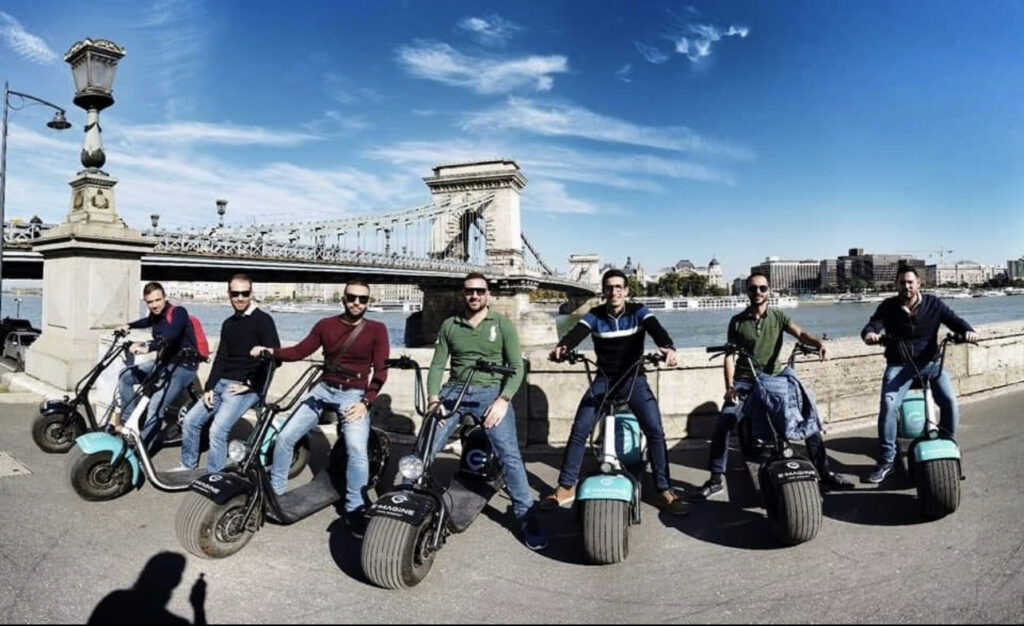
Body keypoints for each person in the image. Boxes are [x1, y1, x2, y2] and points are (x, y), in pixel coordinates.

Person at [691, 273, 854, 500]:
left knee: (809, 419)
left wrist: (818, 343)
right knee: (724, 423)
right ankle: (715, 479)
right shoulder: (737, 322)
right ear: (747, 292)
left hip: (775, 378)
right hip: (745, 381)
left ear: (769, 291)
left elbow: (800, 333)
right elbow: (729, 357)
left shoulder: (778, 316)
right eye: (753, 289)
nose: (757, 293)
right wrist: (730, 387)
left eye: (762, 288)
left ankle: (824, 473)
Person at [250, 278, 388, 537]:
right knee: (286, 436)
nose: (356, 303)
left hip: (354, 394)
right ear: (343, 298)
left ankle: (355, 507)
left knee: (357, 450)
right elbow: (299, 351)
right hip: (323, 389)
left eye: (363, 299)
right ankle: (275, 493)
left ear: (369, 302)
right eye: (352, 297)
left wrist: (365, 402)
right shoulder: (326, 325)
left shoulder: (377, 329)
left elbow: (381, 371)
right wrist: (269, 350)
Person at [543, 269, 689, 515]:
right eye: (610, 287)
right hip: (604, 379)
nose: (614, 292)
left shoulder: (638, 312)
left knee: (655, 430)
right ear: (604, 291)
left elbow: (656, 330)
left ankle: (664, 489)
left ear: (626, 291)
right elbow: (577, 333)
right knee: (580, 429)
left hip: (634, 379)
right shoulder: (595, 315)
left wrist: (668, 347)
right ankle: (565, 486)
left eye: (619, 287)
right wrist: (563, 347)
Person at [424, 272, 548, 551]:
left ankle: (526, 515)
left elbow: (517, 368)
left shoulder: (502, 324)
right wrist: (434, 398)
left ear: (488, 294)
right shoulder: (449, 325)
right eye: (470, 291)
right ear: (463, 294)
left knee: (509, 456)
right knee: (426, 446)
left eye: (480, 291)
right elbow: (436, 365)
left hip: (490, 394)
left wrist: (503, 400)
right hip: (454, 392)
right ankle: (412, 498)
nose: (475, 296)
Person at [861, 266, 978, 483]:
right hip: (899, 365)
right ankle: (887, 461)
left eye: (910, 282)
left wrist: (968, 331)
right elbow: (873, 324)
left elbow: (955, 321)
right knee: (888, 405)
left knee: (950, 401)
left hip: (931, 363)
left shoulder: (934, 304)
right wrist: (870, 334)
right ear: (896, 285)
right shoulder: (888, 306)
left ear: (918, 284)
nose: (906, 286)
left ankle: (947, 446)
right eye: (902, 283)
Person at [171, 274, 279, 473]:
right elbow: (221, 358)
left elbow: (275, 358)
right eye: (235, 293)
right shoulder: (228, 324)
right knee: (190, 421)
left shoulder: (264, 321)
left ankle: (215, 476)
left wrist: (250, 384)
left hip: (245, 388)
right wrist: (210, 387)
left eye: (244, 293)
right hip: (221, 383)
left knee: (217, 430)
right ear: (228, 294)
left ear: (251, 293)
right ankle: (187, 466)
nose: (240, 298)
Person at [116, 282, 202, 451]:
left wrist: (148, 346)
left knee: (156, 405)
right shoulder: (155, 316)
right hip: (165, 363)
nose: (154, 305)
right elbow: (146, 321)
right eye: (150, 302)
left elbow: (171, 334)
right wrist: (129, 326)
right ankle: (131, 423)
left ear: (164, 298)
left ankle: (141, 451)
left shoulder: (178, 313)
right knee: (125, 376)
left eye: (158, 300)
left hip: (184, 366)